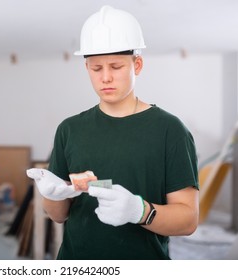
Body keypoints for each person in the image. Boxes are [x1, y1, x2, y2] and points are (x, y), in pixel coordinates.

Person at [27, 5, 199, 260]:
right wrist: (52, 196)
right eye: (96, 69)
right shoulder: (69, 129)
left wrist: (140, 211)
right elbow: (59, 215)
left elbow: (188, 220)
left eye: (116, 67)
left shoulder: (170, 130)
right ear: (87, 68)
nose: (105, 77)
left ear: (137, 64)